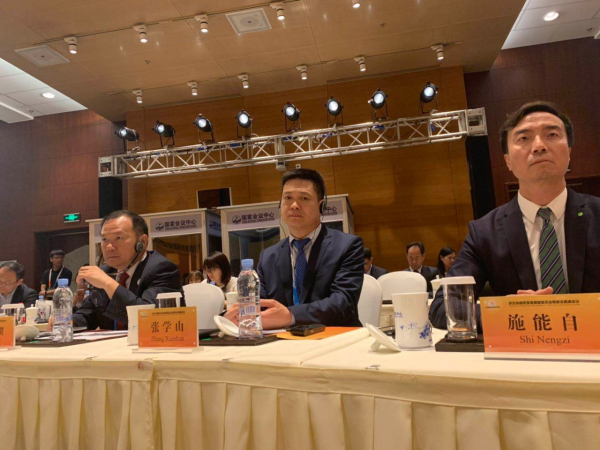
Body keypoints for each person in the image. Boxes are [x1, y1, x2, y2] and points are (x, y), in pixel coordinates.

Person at [430, 101, 600, 330]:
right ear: (508, 161)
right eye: (524, 138)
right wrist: (507, 313)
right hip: (523, 348)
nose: (539, 146)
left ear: (569, 152)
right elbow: (442, 307)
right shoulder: (484, 233)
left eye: (551, 135)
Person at [225, 168, 364, 328]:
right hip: (283, 340)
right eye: (288, 198)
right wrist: (239, 314)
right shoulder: (268, 256)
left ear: (322, 206)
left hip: (336, 336)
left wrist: (291, 316)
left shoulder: (347, 246)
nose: (294, 205)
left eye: (304, 198)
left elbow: (344, 303)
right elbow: (260, 304)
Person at [71, 210, 184, 330]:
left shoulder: (161, 268)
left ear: (142, 242)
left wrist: (108, 284)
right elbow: (87, 315)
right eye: (105, 239)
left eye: (118, 238)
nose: (109, 247)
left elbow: (150, 319)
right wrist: (65, 323)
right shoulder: (106, 272)